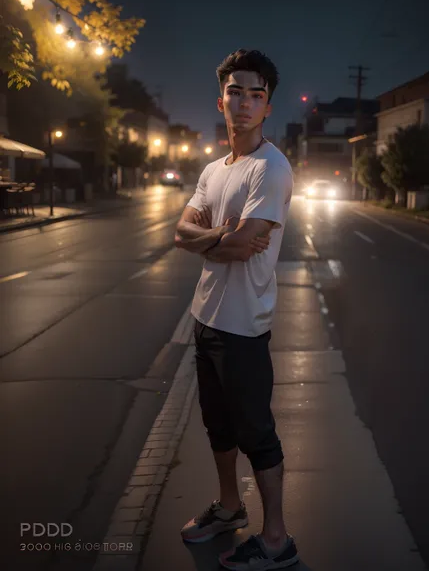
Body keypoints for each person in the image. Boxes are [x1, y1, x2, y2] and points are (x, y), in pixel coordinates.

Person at [174, 49, 297, 570]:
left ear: (268, 107)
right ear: (220, 99)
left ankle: (276, 540)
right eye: (236, 92)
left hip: (244, 327)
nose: (244, 103)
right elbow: (180, 234)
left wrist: (211, 236)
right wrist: (216, 236)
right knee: (217, 427)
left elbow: (242, 243)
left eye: (256, 94)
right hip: (205, 319)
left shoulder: (271, 168)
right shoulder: (213, 169)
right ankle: (229, 508)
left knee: (256, 434)